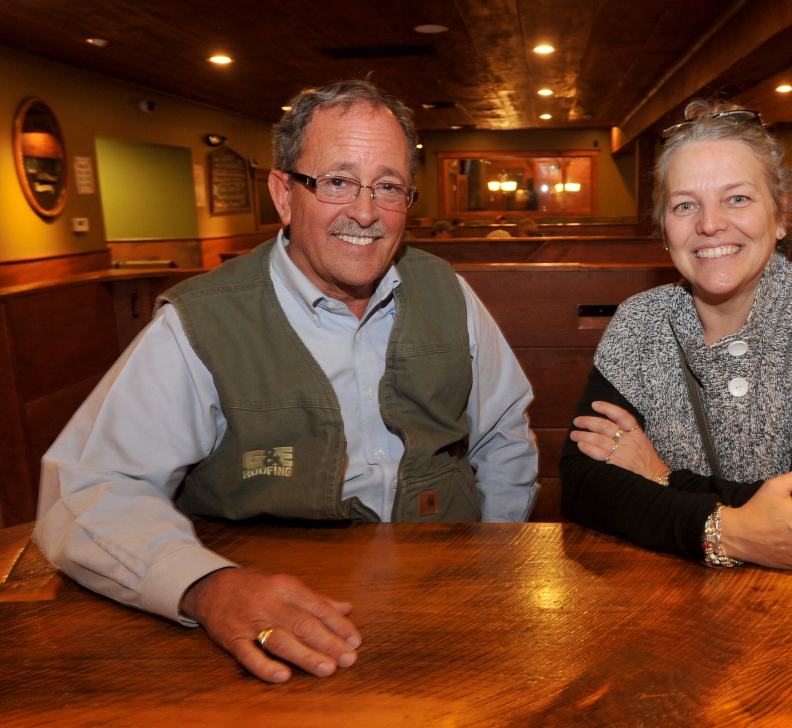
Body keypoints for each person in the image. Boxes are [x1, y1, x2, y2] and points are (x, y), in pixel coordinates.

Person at [34, 80, 538, 683]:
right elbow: (86, 491)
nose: (366, 212)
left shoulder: (448, 291)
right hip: (267, 635)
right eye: (337, 181)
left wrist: (493, 558)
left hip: (451, 609)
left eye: (388, 187)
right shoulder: (200, 322)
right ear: (283, 194)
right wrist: (206, 586)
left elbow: (504, 436)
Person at [561, 101, 792, 572]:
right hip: (662, 602)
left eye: (737, 198)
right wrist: (732, 534)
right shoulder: (640, 321)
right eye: (685, 205)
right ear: (665, 231)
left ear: (780, 215)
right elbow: (582, 484)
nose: (709, 224)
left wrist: (662, 478)